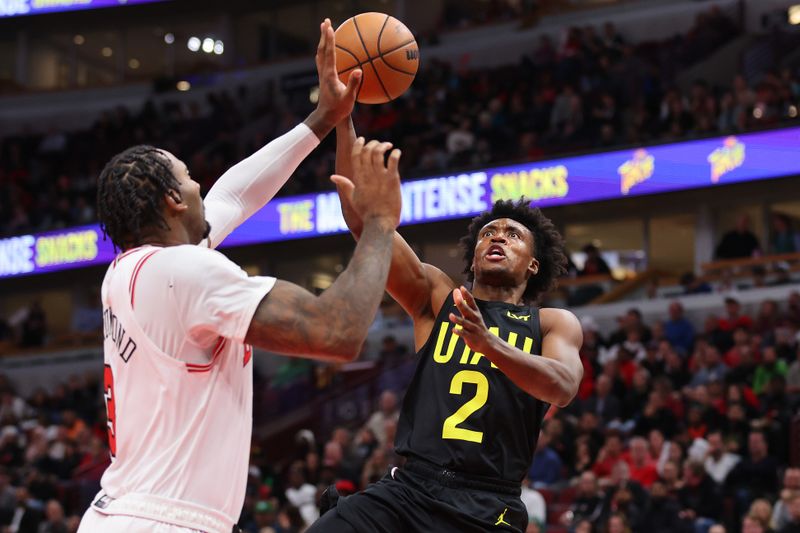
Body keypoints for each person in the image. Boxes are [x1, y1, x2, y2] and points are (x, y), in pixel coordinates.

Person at [78, 20, 403, 533]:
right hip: (163, 522)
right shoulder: (186, 271)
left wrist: (324, 117)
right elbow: (336, 332)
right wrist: (380, 222)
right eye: (188, 176)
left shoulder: (134, 270)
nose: (200, 182)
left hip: (127, 512)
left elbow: (235, 195)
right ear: (171, 199)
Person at [308, 120, 583, 532]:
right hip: (409, 490)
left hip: (489, 504)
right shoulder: (440, 297)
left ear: (534, 264)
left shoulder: (550, 323)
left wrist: (490, 345)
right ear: (472, 259)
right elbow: (369, 227)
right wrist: (343, 117)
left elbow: (562, 387)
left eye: (512, 235)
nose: (497, 238)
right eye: (488, 233)